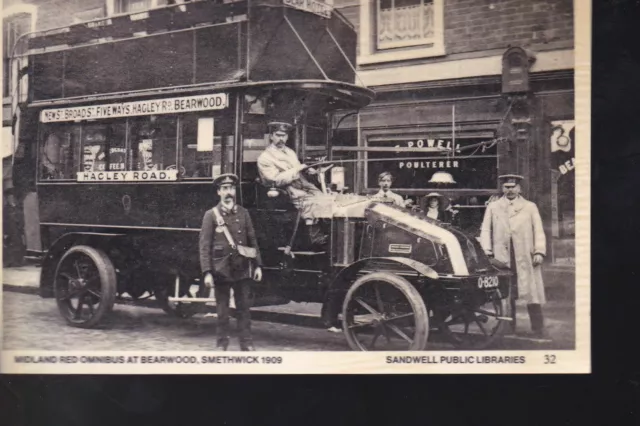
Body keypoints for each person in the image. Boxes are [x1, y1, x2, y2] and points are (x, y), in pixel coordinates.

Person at [199, 173, 263, 351]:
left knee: (244, 309)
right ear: (219, 192)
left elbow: (252, 240)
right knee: (222, 311)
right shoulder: (210, 215)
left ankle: (247, 343)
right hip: (221, 269)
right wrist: (207, 272)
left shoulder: (244, 213)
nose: (229, 192)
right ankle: (221, 344)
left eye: (232, 188)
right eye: (225, 189)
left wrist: (257, 265)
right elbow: (204, 246)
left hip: (242, 267)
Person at [479, 174, 548, 338]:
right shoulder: (493, 207)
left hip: (525, 255)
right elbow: (486, 230)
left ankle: (538, 328)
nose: (510, 190)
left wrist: (539, 251)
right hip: (502, 257)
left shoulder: (530, 207)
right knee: (506, 292)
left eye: (513, 187)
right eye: (506, 187)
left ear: (519, 188)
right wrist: (487, 252)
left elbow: (538, 230)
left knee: (532, 292)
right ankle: (508, 327)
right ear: (502, 188)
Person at [257, 121, 327, 246]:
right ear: (271, 136)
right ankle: (314, 239)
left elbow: (297, 168)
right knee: (310, 203)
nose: (280, 139)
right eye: (278, 135)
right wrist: (298, 169)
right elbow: (274, 179)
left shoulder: (290, 152)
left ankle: (328, 233)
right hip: (285, 191)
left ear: (287, 137)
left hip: (303, 185)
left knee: (326, 199)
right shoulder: (265, 158)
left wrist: (310, 170)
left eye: (283, 136)